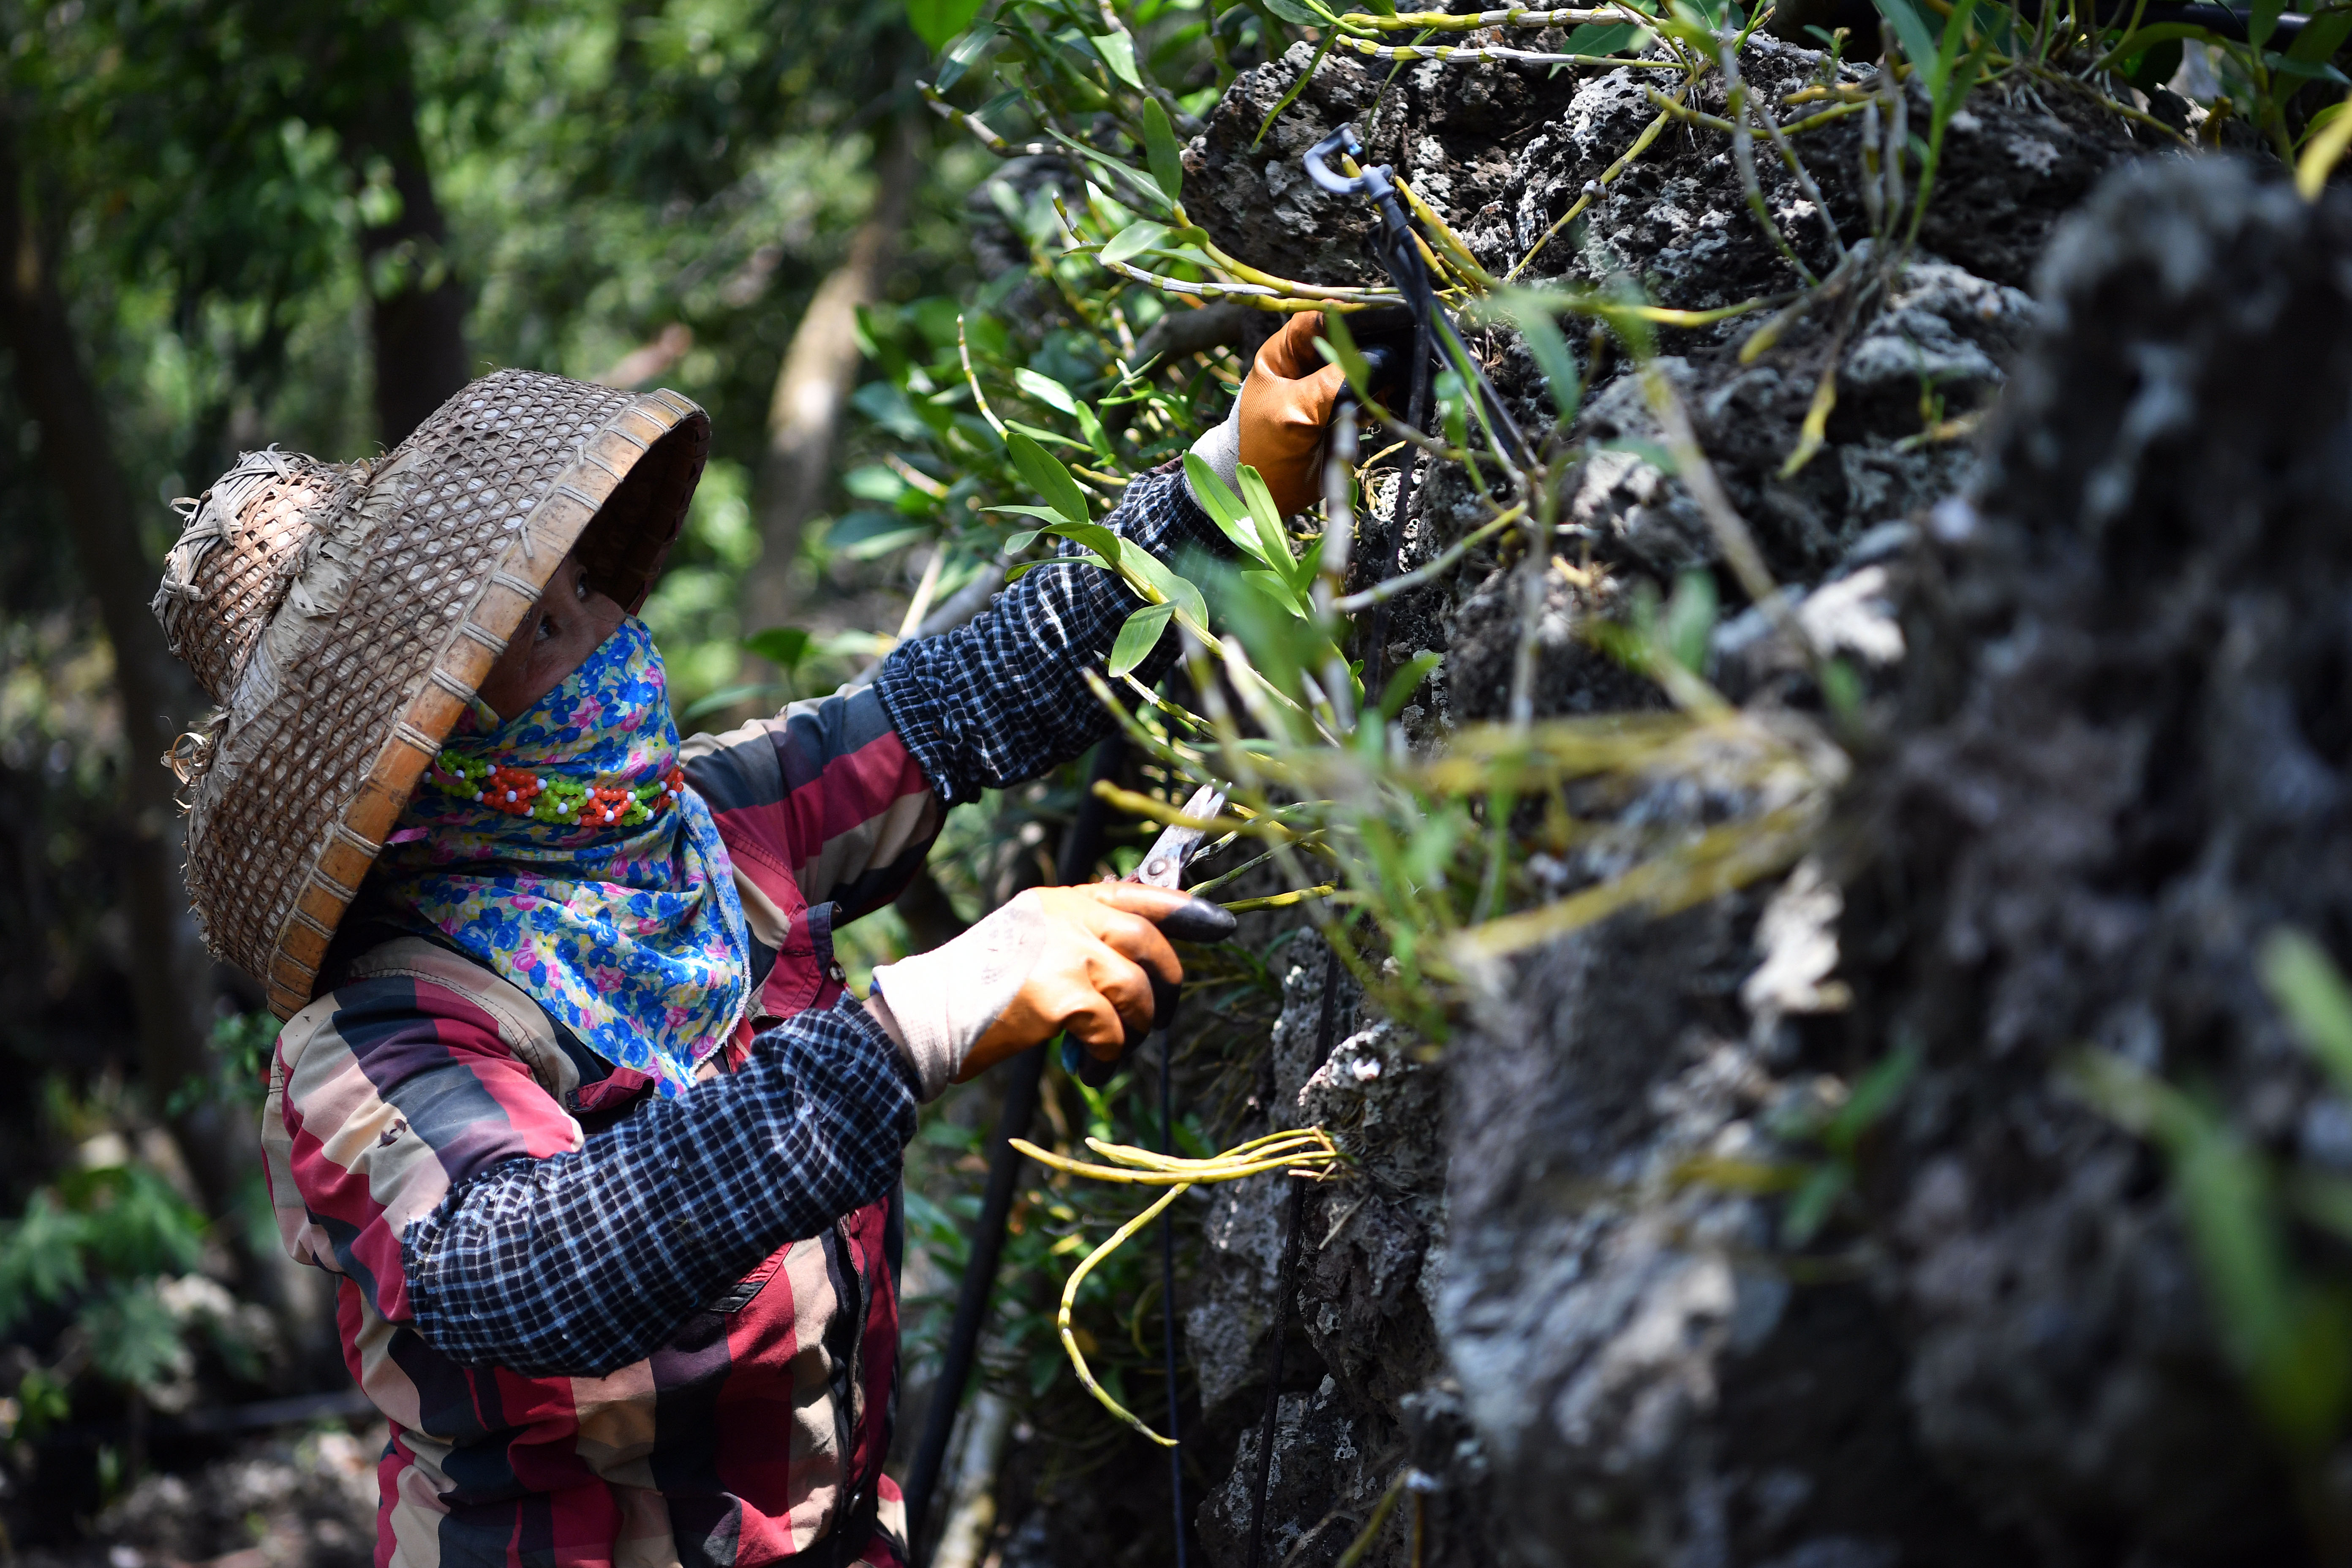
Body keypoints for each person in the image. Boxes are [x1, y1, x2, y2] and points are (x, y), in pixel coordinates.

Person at [148, 313, 1349, 1568]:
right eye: (545, 637)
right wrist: (916, 1026)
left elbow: (946, 711)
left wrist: (1226, 493)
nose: (609, 639)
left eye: (582, 591)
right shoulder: (377, 1045)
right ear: (434, 753)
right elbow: (519, 1262)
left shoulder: (699, 831)